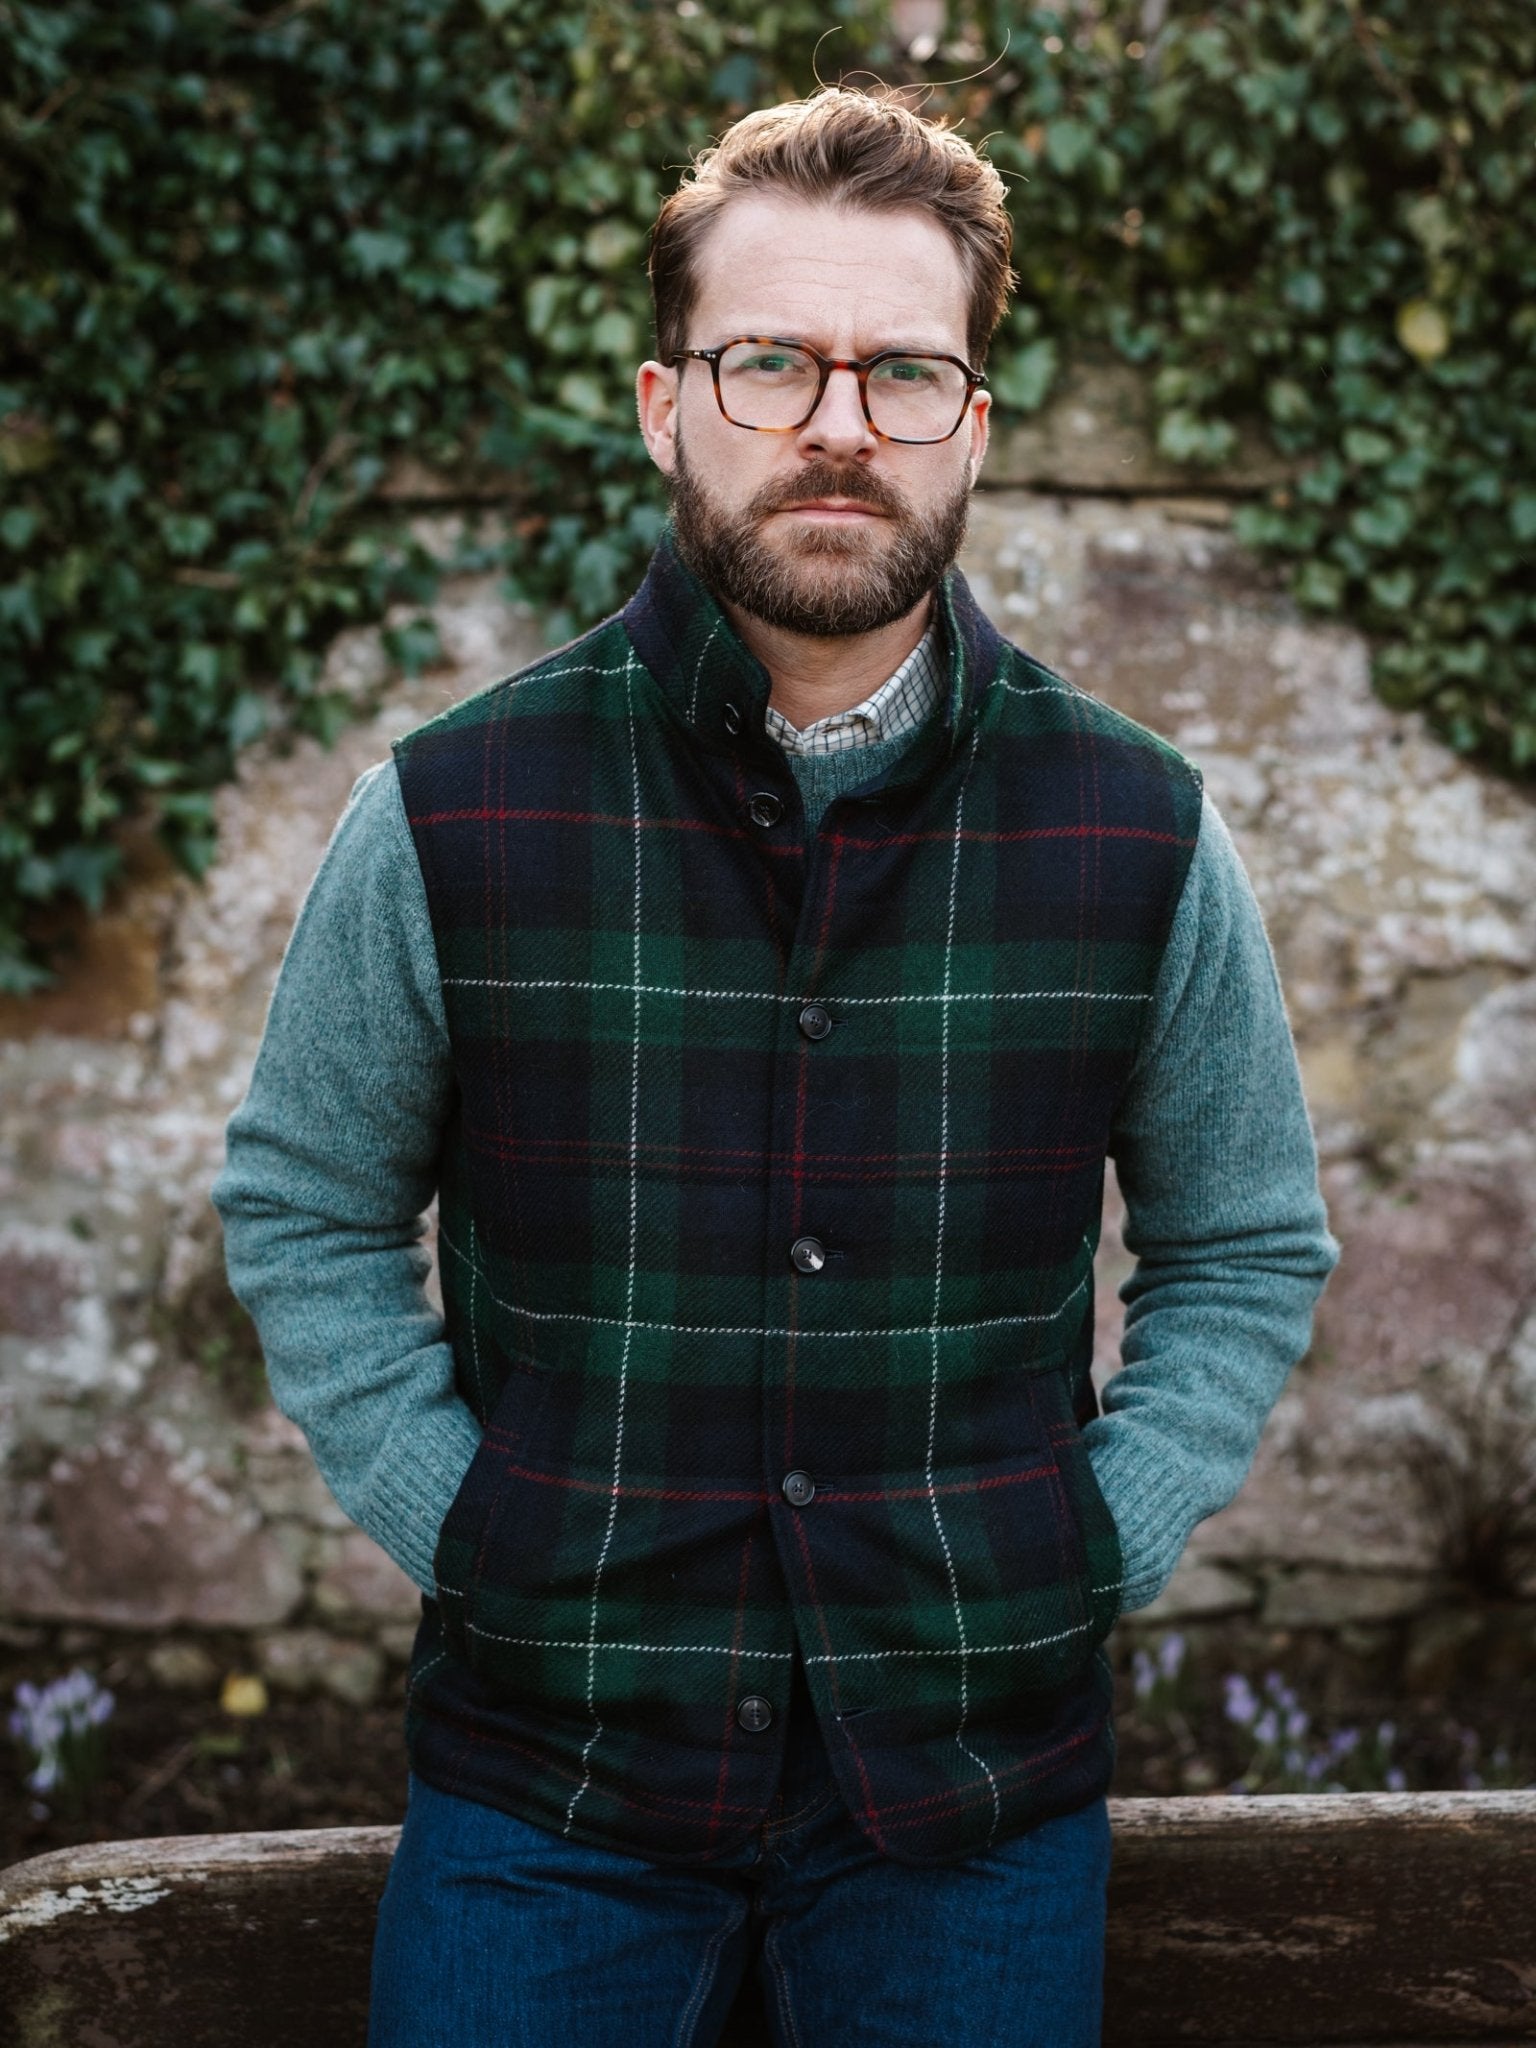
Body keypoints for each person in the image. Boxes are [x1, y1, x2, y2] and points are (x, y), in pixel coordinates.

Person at [213, 85, 1338, 2048]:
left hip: (970, 1802)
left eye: (905, 371)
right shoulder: (455, 809)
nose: (838, 420)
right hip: (550, 1787)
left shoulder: (1134, 826)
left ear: (971, 423)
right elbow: (304, 1201)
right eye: (771, 362)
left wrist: (1099, 1537)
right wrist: (466, 1521)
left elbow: (1245, 1236)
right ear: (668, 404)